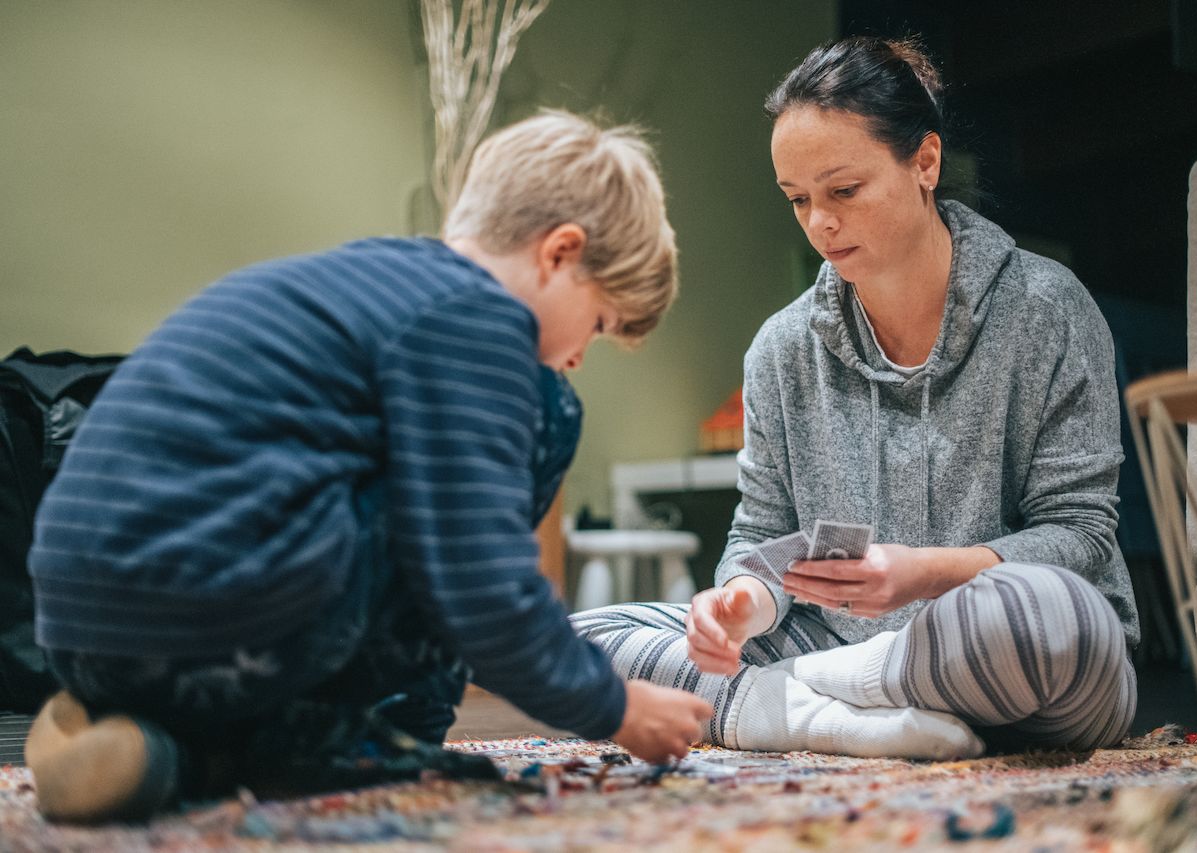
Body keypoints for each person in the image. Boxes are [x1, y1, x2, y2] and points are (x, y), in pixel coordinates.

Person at [24, 110, 712, 823]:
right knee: (548, 415)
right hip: (205, 631)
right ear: (560, 253)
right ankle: (378, 738)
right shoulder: (477, 324)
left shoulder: (375, 279)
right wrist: (615, 704)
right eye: (597, 324)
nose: (575, 354)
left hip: (84, 630)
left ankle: (148, 738)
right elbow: (483, 582)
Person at [572, 37, 1138, 759]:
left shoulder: (1047, 309)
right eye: (798, 199)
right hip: (838, 637)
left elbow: (1080, 538)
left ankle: (794, 698)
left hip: (1017, 658)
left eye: (843, 191)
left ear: (925, 163)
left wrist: (923, 574)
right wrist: (744, 604)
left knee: (1044, 622)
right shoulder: (781, 350)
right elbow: (758, 539)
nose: (819, 223)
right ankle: (833, 720)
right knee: (575, 644)